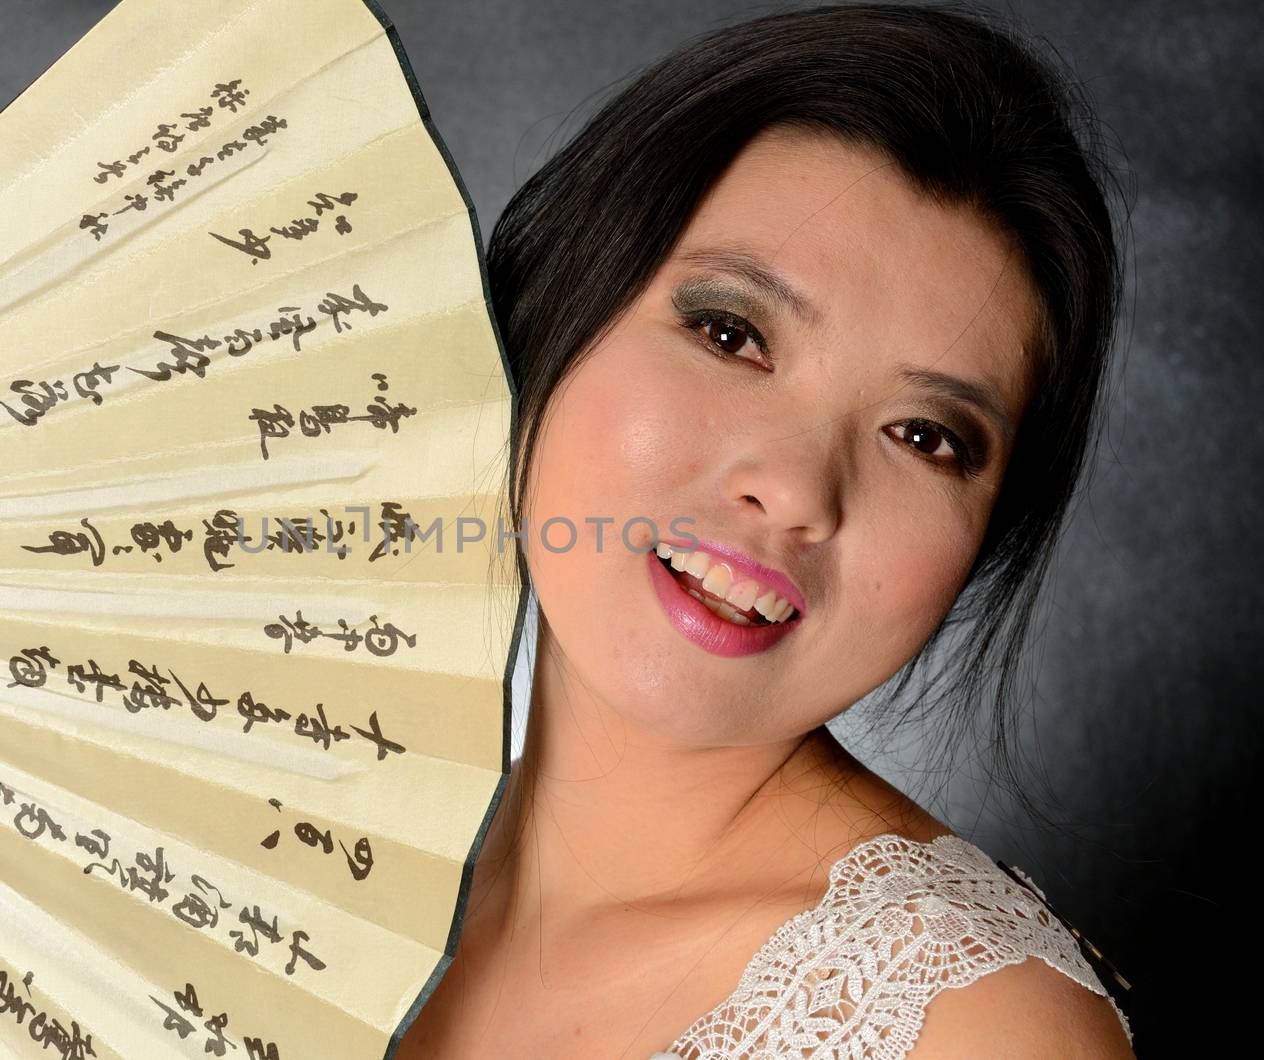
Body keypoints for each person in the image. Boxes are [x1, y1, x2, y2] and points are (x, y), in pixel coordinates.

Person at [393, 2, 1133, 1057]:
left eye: (923, 436)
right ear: (554, 301)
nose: (795, 489)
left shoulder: (971, 1029)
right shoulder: (321, 879)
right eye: (731, 333)